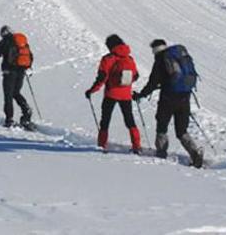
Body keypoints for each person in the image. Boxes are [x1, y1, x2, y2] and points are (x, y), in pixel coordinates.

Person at [133, 39, 203, 168]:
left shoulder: (161, 60)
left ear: (155, 50)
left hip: (168, 98)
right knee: (181, 130)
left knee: (162, 125)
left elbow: (152, 83)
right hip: (185, 96)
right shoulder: (179, 57)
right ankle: (195, 153)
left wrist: (141, 95)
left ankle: (161, 153)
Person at [84, 34, 142, 153]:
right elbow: (136, 76)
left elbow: (102, 78)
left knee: (105, 120)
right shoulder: (129, 58)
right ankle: (136, 146)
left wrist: (91, 91)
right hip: (126, 95)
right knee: (130, 120)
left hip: (111, 94)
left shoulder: (108, 58)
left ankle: (102, 145)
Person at [0, 25, 34, 129]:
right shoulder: (22, 41)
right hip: (21, 71)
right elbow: (31, 56)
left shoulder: (4, 42)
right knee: (16, 93)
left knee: (8, 96)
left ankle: (9, 119)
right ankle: (26, 111)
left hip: (9, 72)